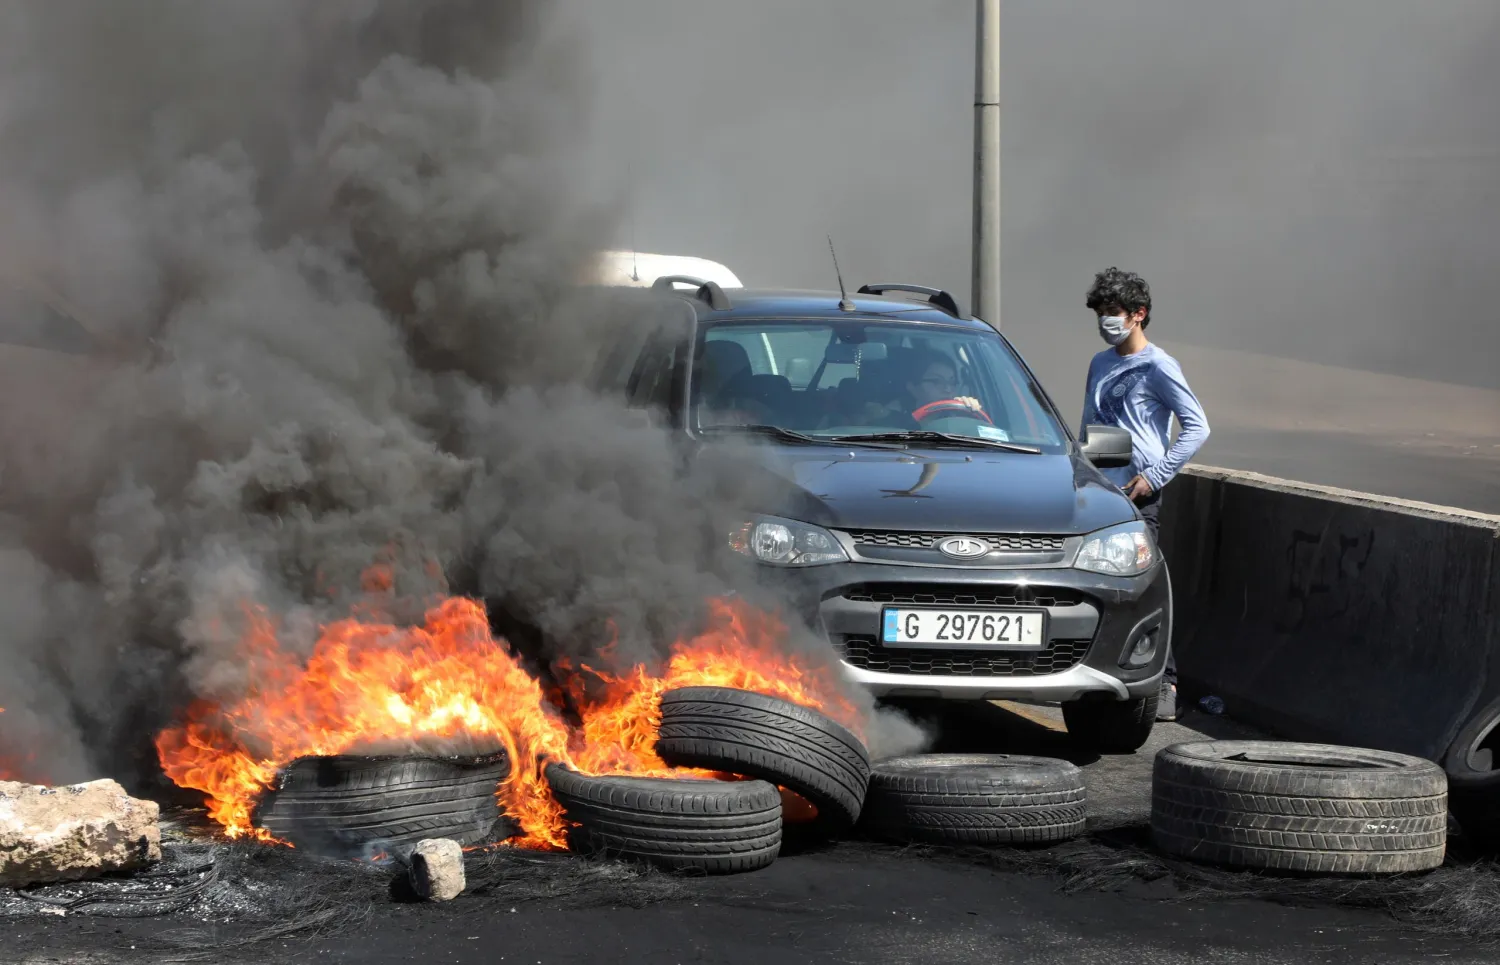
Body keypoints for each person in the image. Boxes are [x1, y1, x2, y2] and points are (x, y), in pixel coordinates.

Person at [1081, 267, 1210, 722]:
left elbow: (1197, 427)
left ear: (1139, 315)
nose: (1105, 321)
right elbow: (1090, 427)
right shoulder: (1100, 362)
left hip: (1139, 496)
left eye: (1113, 312)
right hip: (1100, 495)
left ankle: (1167, 684)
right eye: (1100, 312)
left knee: (1145, 589)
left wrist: (1155, 477)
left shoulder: (1158, 365)